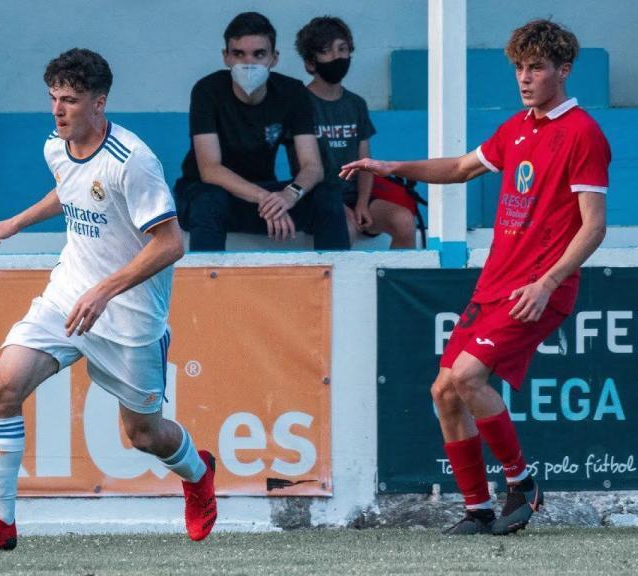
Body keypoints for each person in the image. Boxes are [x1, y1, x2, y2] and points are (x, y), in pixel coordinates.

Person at [341, 19, 609, 535]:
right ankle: (477, 508)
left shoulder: (582, 134)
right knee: (443, 390)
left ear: (564, 71)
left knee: (467, 377)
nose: (524, 78)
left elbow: (594, 228)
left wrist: (548, 282)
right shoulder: (517, 128)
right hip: (495, 285)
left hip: (536, 290)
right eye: (519, 68)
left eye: (536, 68)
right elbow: (462, 168)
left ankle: (522, 482)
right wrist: (392, 164)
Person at [0, 48, 217, 551]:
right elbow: (70, 191)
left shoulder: (133, 161)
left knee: (143, 435)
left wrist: (104, 290)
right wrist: (15, 222)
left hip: (130, 319)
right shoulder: (56, 144)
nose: (58, 110)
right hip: (67, 296)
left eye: (69, 100)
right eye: (53, 98)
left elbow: (171, 243)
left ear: (99, 103)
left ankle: (198, 473)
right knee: (1, 387)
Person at [175, 12, 350, 252]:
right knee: (208, 201)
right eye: (239, 54)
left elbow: (313, 166)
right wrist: (266, 199)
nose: (249, 63)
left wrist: (289, 195)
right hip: (211, 195)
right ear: (226, 57)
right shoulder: (207, 91)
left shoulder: (292, 92)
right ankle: (207, 288)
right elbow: (210, 170)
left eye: (259, 54)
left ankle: (338, 287)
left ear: (274, 58)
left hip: (264, 193)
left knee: (327, 195)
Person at [293, 16, 416, 249]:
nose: (337, 57)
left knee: (404, 221)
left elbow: (364, 162)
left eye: (343, 49)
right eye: (327, 51)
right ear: (310, 62)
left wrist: (361, 203)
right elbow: (301, 167)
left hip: (356, 196)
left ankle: (393, 286)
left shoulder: (355, 103)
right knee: (342, 228)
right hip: (316, 198)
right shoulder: (300, 103)